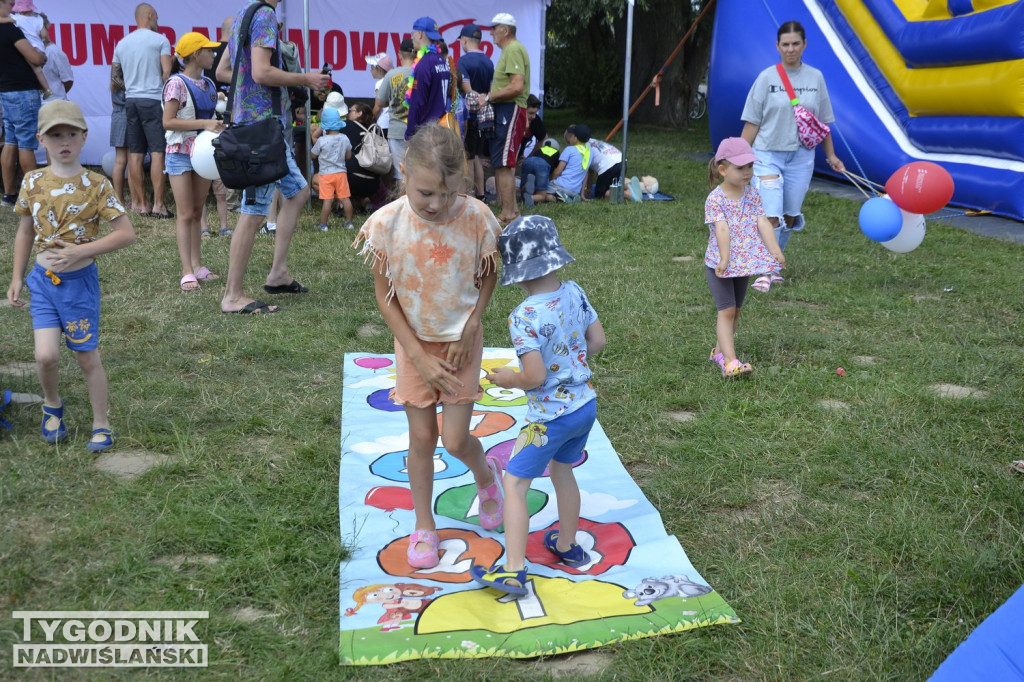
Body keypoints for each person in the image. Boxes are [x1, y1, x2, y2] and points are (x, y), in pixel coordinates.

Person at [353, 124, 503, 569]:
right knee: (422, 437)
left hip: (460, 346)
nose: (436, 205)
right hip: (413, 347)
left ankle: (486, 477)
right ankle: (425, 524)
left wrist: (473, 325)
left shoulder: (477, 218)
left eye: (447, 193)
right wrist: (417, 354)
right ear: (403, 173)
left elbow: (488, 271)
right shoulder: (386, 223)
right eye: (425, 194)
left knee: (456, 440)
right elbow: (385, 297)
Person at [470, 215, 606, 596]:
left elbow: (533, 376)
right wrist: (572, 361)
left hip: (549, 419)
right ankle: (567, 545)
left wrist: (506, 378)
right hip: (584, 407)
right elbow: (596, 341)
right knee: (564, 472)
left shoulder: (524, 316)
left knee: (513, 483)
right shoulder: (575, 291)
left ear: (516, 271)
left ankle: (513, 569)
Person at [6, 100, 137, 451]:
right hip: (42, 282)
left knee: (86, 357)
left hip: (79, 287)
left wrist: (82, 251)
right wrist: (16, 276)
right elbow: (24, 232)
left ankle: (101, 422)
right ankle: (52, 405)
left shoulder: (97, 184)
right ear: (41, 140)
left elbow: (126, 233)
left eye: (71, 134)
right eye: (55, 135)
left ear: (83, 137)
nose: (64, 141)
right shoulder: (32, 181)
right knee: (45, 356)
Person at [214, 0, 330, 314]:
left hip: (264, 127)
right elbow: (262, 71)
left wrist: (246, 91)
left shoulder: (244, 14)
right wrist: (305, 79)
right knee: (253, 211)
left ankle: (278, 273)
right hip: (260, 130)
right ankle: (232, 296)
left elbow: (224, 69)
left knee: (298, 191)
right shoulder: (264, 15)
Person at [740, 20, 844, 293]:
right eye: (785, 44)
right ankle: (766, 269)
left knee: (789, 214)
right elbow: (752, 122)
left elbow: (822, 123)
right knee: (771, 212)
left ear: (804, 45)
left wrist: (831, 156)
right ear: (777, 46)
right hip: (766, 154)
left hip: (801, 158)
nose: (790, 49)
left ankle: (774, 263)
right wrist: (737, 157)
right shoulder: (766, 78)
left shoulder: (815, 78)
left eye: (795, 43)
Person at [704, 137, 786, 377]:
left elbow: (763, 222)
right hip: (721, 265)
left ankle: (719, 353)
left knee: (736, 310)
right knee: (726, 310)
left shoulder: (752, 194)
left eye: (750, 166)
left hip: (743, 265)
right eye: (741, 167)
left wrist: (776, 252)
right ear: (723, 170)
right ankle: (730, 362)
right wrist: (724, 259)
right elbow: (722, 229)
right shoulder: (716, 199)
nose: (748, 172)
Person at [162, 32, 225, 292]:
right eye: (209, 51)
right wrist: (205, 123)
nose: (213, 55)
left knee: (198, 211)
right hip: (179, 152)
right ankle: (187, 270)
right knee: (186, 213)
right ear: (196, 54)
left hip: (202, 153)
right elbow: (168, 121)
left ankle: (198, 265)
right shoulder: (175, 83)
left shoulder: (209, 84)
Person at [111, 2, 172, 218]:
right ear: (149, 15)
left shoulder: (122, 43)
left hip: (131, 101)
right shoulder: (161, 40)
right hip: (153, 99)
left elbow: (116, 79)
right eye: (156, 17)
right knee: (157, 153)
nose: (157, 21)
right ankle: (158, 205)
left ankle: (141, 204)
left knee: (134, 155)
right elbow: (166, 74)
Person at [0, 0, 46, 207]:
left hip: (6, 91)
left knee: (11, 141)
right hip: (22, 91)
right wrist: (41, 55)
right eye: (10, 3)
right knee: (26, 143)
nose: (13, 7)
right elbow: (34, 58)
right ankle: (34, 196)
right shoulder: (10, 29)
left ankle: (9, 195)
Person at [487, 12, 529, 225]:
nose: (492, 32)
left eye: (495, 28)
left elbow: (516, 86)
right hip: (508, 110)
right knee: (505, 164)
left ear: (506, 30)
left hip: (509, 110)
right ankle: (511, 212)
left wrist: (489, 96)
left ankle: (507, 214)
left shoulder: (512, 49)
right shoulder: (511, 50)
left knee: (503, 163)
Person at [457, 23, 493, 201]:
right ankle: (481, 195)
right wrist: (484, 98)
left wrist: (476, 98)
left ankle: (468, 196)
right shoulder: (488, 61)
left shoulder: (463, 61)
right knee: (477, 156)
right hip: (484, 116)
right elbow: (491, 91)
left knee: (469, 157)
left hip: (469, 115)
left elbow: (467, 89)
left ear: (464, 40)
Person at [404, 16, 454, 140]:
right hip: (440, 129)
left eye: (413, 33)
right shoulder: (441, 60)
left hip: (425, 134)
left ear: (420, 34)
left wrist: (409, 135)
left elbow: (417, 103)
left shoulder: (424, 64)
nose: (411, 37)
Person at [374, 37, 414, 180]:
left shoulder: (392, 75)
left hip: (397, 130)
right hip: (418, 131)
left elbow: (380, 102)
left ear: (399, 54)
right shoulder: (422, 73)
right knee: (416, 171)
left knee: (400, 172)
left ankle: (403, 201)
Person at [310, 106, 353, 231]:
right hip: (341, 174)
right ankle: (349, 222)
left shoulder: (322, 141)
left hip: (325, 175)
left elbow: (313, 155)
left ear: (324, 125)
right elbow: (349, 156)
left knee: (327, 201)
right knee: (345, 198)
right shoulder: (345, 138)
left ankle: (323, 225)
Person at [527, 124, 590, 205]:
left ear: (575, 137)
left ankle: (557, 198)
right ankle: (570, 197)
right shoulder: (589, 151)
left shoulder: (569, 149)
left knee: (540, 192)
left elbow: (558, 171)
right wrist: (582, 193)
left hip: (562, 185)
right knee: (546, 194)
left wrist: (551, 181)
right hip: (575, 190)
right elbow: (586, 172)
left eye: (571, 137)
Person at [343, 102, 382, 211]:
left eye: (351, 110)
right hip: (374, 185)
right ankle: (366, 200)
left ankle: (342, 203)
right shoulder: (376, 129)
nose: (348, 113)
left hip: (351, 181)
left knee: (319, 179)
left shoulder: (347, 125)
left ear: (359, 113)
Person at [9, 0, 52, 98]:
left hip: (29, 49)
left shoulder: (15, 18)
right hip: (40, 49)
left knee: (36, 71)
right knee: (38, 70)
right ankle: (43, 88)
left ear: (21, 10)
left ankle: (47, 89)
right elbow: (44, 36)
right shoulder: (38, 19)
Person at [585, 137, 642, 202]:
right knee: (613, 185)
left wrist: (588, 189)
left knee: (600, 195)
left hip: (609, 166)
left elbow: (589, 172)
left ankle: (627, 194)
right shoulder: (592, 140)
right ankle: (629, 186)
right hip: (622, 161)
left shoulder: (581, 148)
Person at [108, 62, 128, 206]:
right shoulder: (128, 85)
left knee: (120, 160)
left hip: (117, 115)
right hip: (126, 115)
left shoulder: (114, 83)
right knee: (131, 159)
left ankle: (119, 199)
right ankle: (122, 199)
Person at [39, 15, 72, 103]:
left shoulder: (54, 52)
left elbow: (68, 80)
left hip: (54, 105)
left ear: (46, 28)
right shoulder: (25, 50)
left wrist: (56, 96)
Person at [518, 136, 558, 207]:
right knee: (542, 196)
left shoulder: (539, 149)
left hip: (528, 161)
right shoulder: (556, 153)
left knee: (524, 184)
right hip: (542, 165)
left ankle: (523, 196)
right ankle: (530, 198)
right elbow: (554, 171)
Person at [366, 52, 393, 137]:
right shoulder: (394, 80)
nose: (370, 70)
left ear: (379, 70)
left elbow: (378, 107)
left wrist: (370, 120)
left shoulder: (379, 83)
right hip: (393, 123)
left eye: (372, 67)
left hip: (383, 125)